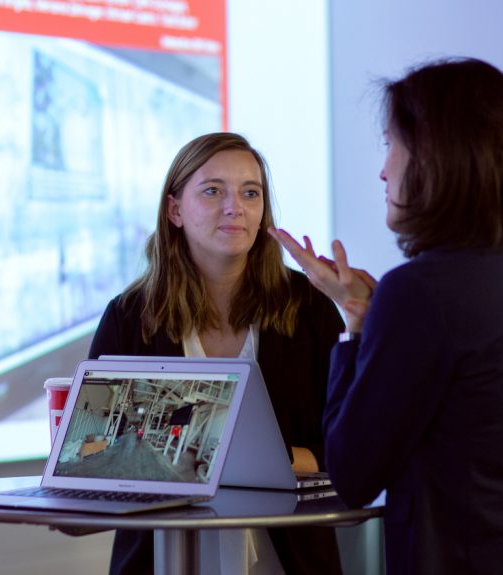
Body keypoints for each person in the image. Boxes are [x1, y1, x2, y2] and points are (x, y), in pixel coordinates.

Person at [271, 58, 503, 574]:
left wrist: (356, 327)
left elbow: (353, 474)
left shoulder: (420, 291)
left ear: (433, 155)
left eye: (390, 145)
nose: (383, 169)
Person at [89, 132, 345, 574]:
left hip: (287, 561)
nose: (235, 207)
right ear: (175, 211)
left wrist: (278, 461)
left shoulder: (309, 308)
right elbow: (93, 450)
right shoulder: (130, 317)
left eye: (251, 192)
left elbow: (351, 444)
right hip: (161, 560)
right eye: (213, 191)